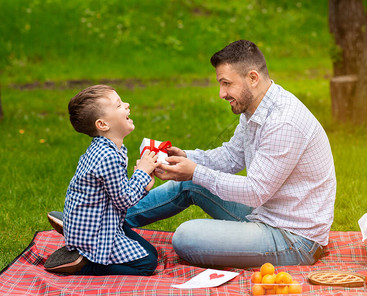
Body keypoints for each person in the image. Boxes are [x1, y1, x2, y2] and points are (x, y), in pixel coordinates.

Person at [50, 40, 336, 268]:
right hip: (267, 211)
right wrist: (186, 157)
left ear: (252, 78)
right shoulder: (255, 109)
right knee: (188, 183)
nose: (221, 93)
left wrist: (196, 171)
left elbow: (256, 191)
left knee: (185, 238)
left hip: (292, 236)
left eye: (226, 83)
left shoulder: (283, 121)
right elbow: (231, 157)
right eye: (220, 83)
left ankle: (97, 232)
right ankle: (102, 224)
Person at [45, 85, 160, 275]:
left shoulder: (108, 148)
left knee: (152, 252)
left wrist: (144, 183)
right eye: (119, 105)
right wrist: (141, 173)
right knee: (148, 264)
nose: (127, 105)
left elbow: (117, 193)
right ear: (103, 125)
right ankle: (85, 263)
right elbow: (124, 201)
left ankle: (74, 227)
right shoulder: (108, 157)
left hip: (104, 218)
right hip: (99, 231)